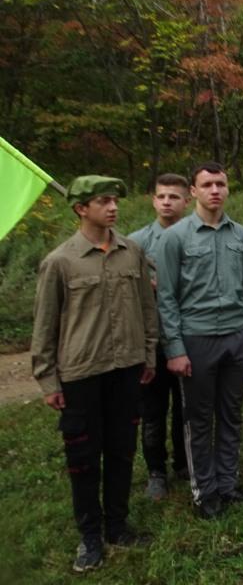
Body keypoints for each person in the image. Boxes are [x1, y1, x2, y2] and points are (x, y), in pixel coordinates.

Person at [32, 176, 158, 572]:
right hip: (82, 374)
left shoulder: (131, 252)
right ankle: (90, 535)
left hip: (126, 370)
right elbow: (45, 325)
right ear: (81, 209)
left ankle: (117, 525)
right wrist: (49, 380)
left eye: (115, 201)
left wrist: (148, 355)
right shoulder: (60, 262)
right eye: (104, 201)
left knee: (121, 451)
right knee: (84, 459)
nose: (113, 208)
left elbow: (146, 309)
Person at [156, 162, 243, 520]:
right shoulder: (176, 238)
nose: (215, 191)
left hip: (237, 337)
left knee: (232, 414)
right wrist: (174, 349)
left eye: (221, 184)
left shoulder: (239, 235)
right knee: (199, 419)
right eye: (207, 185)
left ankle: (227, 482)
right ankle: (204, 490)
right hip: (197, 338)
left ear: (228, 189)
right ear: (194, 191)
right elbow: (167, 299)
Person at [128, 173, 190, 501]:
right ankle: (156, 470)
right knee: (153, 410)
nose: (167, 202)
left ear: (186, 201)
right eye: (161, 196)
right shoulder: (135, 243)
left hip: (189, 337)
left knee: (187, 407)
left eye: (174, 197)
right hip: (152, 343)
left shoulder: (195, 237)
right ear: (153, 200)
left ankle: (184, 461)